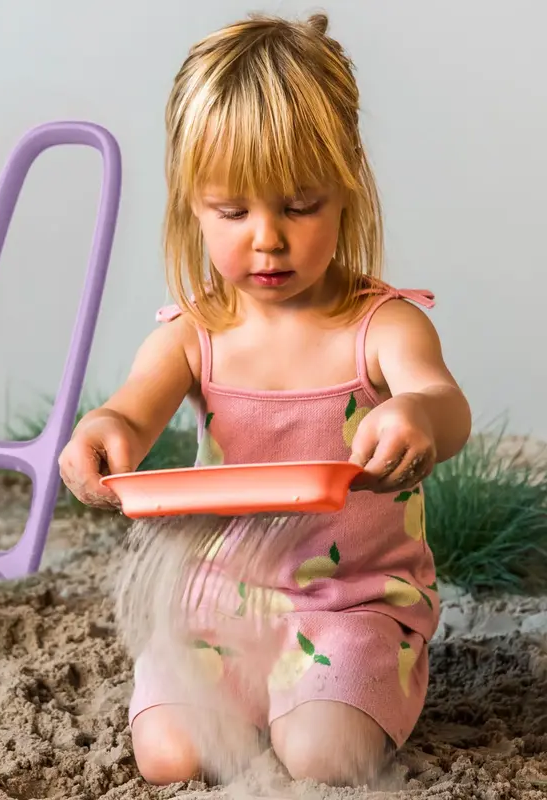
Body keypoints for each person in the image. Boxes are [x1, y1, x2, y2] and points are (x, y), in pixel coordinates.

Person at [58, 11, 471, 789]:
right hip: (221, 604)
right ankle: (257, 698)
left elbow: (443, 400)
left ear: (347, 187)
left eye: (299, 205)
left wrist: (416, 415)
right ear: (192, 204)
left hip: (351, 605)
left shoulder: (382, 326)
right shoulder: (193, 334)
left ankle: (344, 691)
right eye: (233, 211)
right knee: (170, 756)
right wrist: (103, 436)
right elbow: (131, 412)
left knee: (320, 755)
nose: (268, 238)